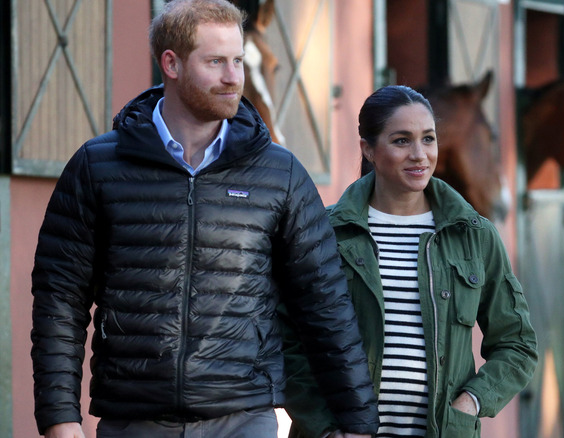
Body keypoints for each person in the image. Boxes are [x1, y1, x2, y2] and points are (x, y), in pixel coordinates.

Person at [29, 1, 377, 437]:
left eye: (237, 60)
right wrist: (60, 419)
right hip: (133, 422)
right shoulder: (97, 167)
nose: (234, 77)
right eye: (216, 62)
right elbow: (59, 301)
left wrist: (359, 424)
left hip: (243, 420)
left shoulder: (280, 174)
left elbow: (325, 305)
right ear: (170, 63)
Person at [283, 85, 538, 438]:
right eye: (402, 140)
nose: (419, 155)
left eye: (428, 139)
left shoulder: (474, 236)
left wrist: (471, 403)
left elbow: (517, 344)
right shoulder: (324, 234)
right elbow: (285, 342)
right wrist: (325, 429)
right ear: (368, 150)